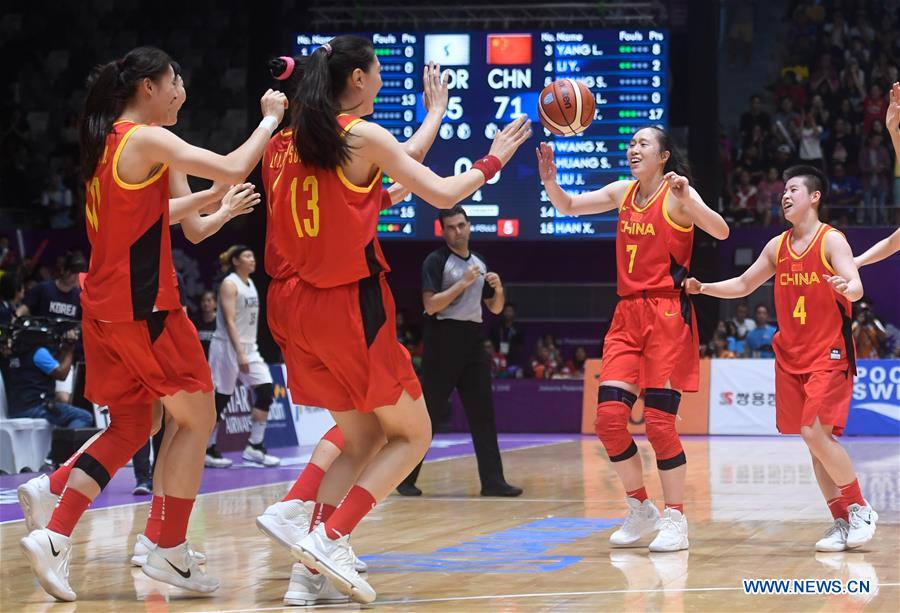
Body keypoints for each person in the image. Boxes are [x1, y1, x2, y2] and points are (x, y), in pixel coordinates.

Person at [266, 37, 530, 604]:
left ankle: (305, 573)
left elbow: (372, 184)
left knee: (361, 437)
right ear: (358, 79)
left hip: (292, 306)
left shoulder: (286, 143)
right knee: (415, 434)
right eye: (378, 69)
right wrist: (495, 158)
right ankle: (330, 537)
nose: (382, 74)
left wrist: (434, 116)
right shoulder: (359, 134)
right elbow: (442, 192)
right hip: (347, 303)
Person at [18, 46, 286, 602]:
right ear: (147, 86)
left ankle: (57, 518)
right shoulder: (145, 138)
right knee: (196, 417)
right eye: (175, 79)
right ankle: (166, 548)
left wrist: (218, 204)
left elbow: (169, 224)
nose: (181, 89)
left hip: (108, 308)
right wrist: (269, 119)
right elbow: (237, 164)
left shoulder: (108, 145)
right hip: (146, 308)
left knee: (136, 425)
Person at [537, 125, 729, 552]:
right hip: (626, 314)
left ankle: (677, 518)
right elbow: (569, 206)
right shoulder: (623, 191)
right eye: (631, 143)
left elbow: (720, 232)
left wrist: (689, 199)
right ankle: (642, 508)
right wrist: (551, 181)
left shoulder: (677, 194)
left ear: (663, 156)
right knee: (607, 421)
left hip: (666, 312)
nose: (633, 149)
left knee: (659, 424)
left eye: (643, 143)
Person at [685, 165, 878, 552]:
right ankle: (841, 520)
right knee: (814, 443)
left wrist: (848, 287)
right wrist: (703, 287)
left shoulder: (831, 241)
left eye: (792, 190)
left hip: (829, 352)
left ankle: (860, 508)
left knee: (813, 433)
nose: (784, 196)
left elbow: (855, 284)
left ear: (814, 196)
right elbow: (743, 284)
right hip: (791, 356)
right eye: (783, 192)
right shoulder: (777, 246)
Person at [397, 205, 523, 498]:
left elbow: (494, 308)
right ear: (443, 231)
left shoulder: (479, 261)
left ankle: (493, 482)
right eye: (452, 227)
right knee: (428, 414)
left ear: (469, 226)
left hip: (472, 340)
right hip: (442, 339)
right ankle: (404, 479)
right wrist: (463, 284)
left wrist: (499, 289)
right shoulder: (436, 261)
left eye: (462, 225)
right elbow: (430, 305)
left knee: (483, 413)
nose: (458, 231)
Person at [207, 245, 279, 467]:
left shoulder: (251, 283)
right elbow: (229, 321)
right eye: (247, 256)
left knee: (266, 390)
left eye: (253, 256)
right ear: (236, 261)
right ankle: (207, 449)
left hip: (250, 346)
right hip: (227, 346)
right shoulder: (230, 284)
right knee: (221, 399)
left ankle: (254, 447)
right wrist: (239, 353)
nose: (252, 260)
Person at [5, 322, 93, 428]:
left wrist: (64, 348)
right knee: (84, 416)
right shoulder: (39, 352)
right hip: (36, 407)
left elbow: (53, 364)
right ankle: (64, 444)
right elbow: (61, 374)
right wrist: (70, 350)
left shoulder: (15, 354)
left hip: (17, 408)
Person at [490, 302, 526, 367]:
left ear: (514, 313)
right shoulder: (497, 327)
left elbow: (521, 344)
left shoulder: (518, 328)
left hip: (512, 358)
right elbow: (491, 342)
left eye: (510, 311)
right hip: (498, 356)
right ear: (503, 312)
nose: (508, 313)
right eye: (506, 311)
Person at [192, 290, 218, 357]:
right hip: (200, 360)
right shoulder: (195, 322)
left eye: (209, 300)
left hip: (215, 360)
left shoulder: (220, 323)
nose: (206, 303)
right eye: (203, 301)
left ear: (215, 304)